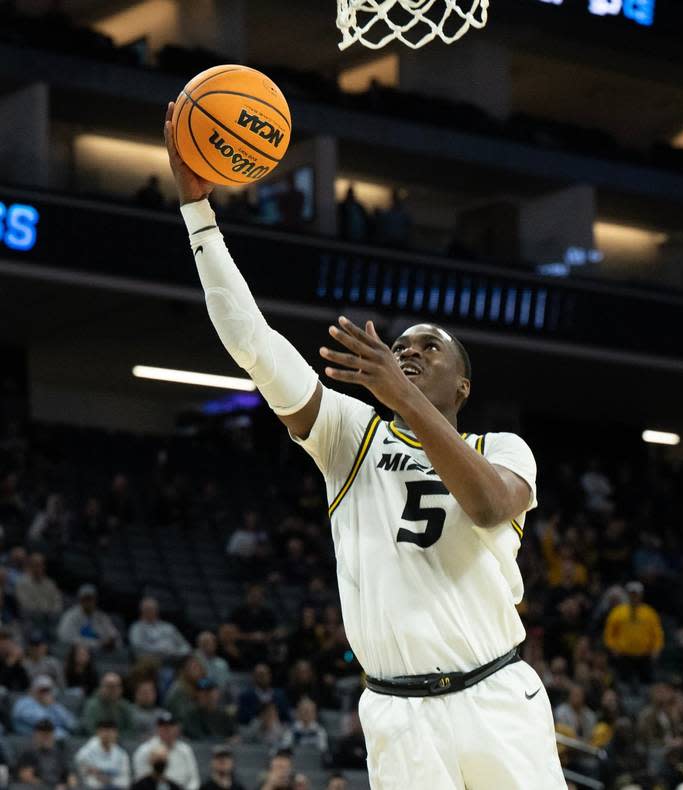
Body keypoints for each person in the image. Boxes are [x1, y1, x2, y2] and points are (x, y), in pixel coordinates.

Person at [165, 101, 562, 789]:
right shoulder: (352, 434)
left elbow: (492, 507)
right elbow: (254, 346)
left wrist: (402, 398)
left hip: (496, 697)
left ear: (461, 385)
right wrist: (199, 214)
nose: (408, 351)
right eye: (400, 345)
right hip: (398, 714)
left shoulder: (503, 445)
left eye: (427, 348)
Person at [603, 581, 664, 685]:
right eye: (632, 594)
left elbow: (658, 634)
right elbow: (609, 634)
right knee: (624, 682)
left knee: (647, 683)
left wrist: (656, 649)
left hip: (645, 656)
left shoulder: (649, 613)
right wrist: (613, 648)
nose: (634, 597)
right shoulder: (618, 612)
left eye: (636, 594)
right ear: (627, 595)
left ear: (641, 595)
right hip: (623, 656)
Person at [132, 713, 199, 790]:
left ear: (177, 728)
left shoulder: (185, 750)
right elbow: (140, 780)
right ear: (157, 729)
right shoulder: (145, 750)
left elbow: (194, 779)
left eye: (171, 726)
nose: (167, 730)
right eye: (163, 726)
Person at [58, 584, 121, 651]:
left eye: (90, 599)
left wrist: (112, 641)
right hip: (77, 654)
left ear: (95, 600)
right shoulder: (70, 616)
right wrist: (97, 644)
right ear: (80, 600)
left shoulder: (102, 617)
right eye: (85, 599)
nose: (88, 602)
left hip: (99, 654)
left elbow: (116, 638)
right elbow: (65, 637)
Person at [16, 717, 73, 788]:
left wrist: (68, 786)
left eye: (48, 734)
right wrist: (51, 787)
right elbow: (26, 777)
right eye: (42, 735)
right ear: (36, 736)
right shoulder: (29, 753)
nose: (46, 738)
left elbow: (70, 777)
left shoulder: (59, 753)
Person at [129, 598, 191, 662]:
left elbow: (185, 646)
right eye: (147, 609)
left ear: (157, 610)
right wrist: (160, 651)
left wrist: (176, 653)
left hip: (174, 659)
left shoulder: (168, 627)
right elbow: (137, 647)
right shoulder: (137, 627)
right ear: (142, 611)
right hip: (152, 661)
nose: (150, 611)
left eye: (153, 609)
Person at [12, 675, 78, 735]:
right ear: (33, 689)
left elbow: (72, 723)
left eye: (48, 690)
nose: (45, 693)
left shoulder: (53, 704)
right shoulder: (24, 702)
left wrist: (54, 706)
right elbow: (43, 722)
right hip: (32, 736)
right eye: (42, 690)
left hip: (57, 735)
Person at [75, 719, 131, 789]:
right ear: (98, 732)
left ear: (116, 733)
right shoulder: (86, 752)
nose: (108, 735)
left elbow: (126, 781)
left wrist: (109, 780)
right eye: (104, 731)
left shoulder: (121, 754)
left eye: (111, 731)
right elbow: (85, 779)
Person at [14, 552, 63, 633]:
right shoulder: (22, 583)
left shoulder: (50, 583)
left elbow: (58, 602)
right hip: (30, 621)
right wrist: (46, 610)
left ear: (44, 567)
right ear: (30, 566)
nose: (38, 568)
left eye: (40, 565)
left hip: (50, 619)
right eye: (35, 565)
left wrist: (52, 611)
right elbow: (25, 605)